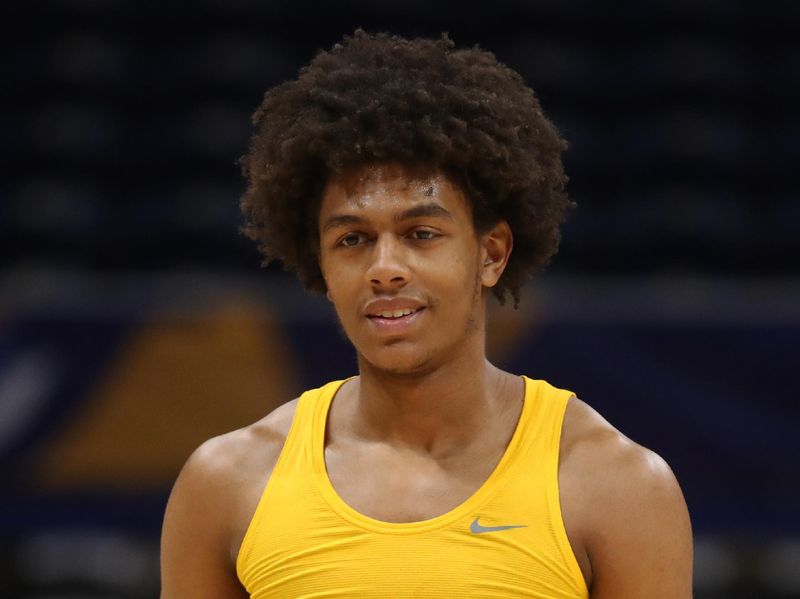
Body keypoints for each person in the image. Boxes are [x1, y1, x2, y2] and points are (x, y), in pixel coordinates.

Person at [160, 30, 693, 598]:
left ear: (491, 254)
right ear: (320, 263)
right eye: (352, 240)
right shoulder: (226, 483)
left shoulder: (616, 485)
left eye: (421, 234)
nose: (384, 269)